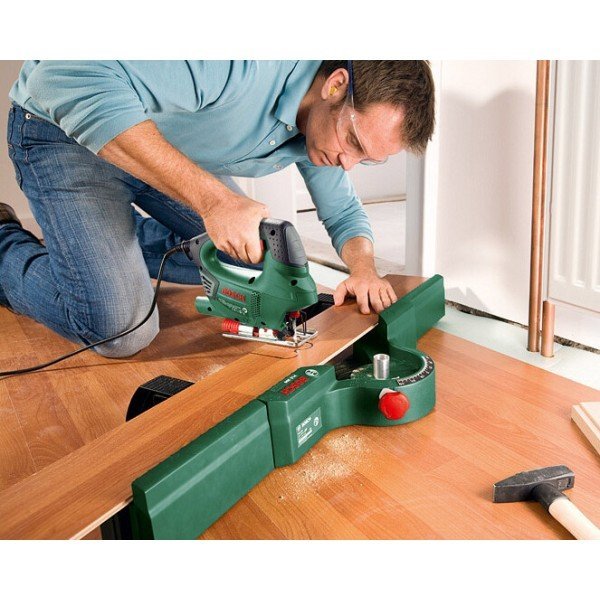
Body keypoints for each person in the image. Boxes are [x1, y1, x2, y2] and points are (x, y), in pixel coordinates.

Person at [0, 60, 435, 358]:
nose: (348, 163)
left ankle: (83, 247)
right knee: (122, 331)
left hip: (160, 152)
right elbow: (58, 77)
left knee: (254, 254)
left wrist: (363, 269)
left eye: (367, 159)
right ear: (335, 85)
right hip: (63, 136)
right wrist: (214, 200)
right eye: (354, 143)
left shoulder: (323, 129)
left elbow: (342, 212)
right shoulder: (242, 63)